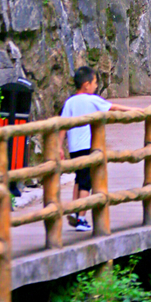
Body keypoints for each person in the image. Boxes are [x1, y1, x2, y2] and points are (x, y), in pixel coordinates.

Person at [60, 66, 132, 231]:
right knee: (86, 182)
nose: (96, 86)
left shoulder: (70, 101)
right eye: (94, 83)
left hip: (74, 147)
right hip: (87, 147)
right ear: (86, 85)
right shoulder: (91, 100)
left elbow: (61, 125)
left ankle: (74, 210)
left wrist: (59, 147)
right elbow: (114, 107)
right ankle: (81, 218)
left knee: (79, 178)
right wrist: (135, 110)